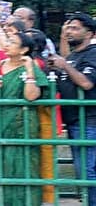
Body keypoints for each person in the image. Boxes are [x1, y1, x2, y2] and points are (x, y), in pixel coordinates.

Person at [47, 12, 96, 206]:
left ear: (90, 33)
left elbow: (86, 84)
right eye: (67, 28)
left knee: (88, 171)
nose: (69, 32)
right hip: (75, 120)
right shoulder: (74, 56)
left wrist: (64, 66)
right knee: (84, 170)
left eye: (74, 28)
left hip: (89, 120)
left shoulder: (92, 53)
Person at [0, 30, 48, 206]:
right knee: (1, 164)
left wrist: (29, 70)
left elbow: (31, 96)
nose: (7, 44)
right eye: (7, 41)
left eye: (12, 42)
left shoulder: (30, 66)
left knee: (24, 165)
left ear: (24, 49)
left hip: (21, 122)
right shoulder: (0, 65)